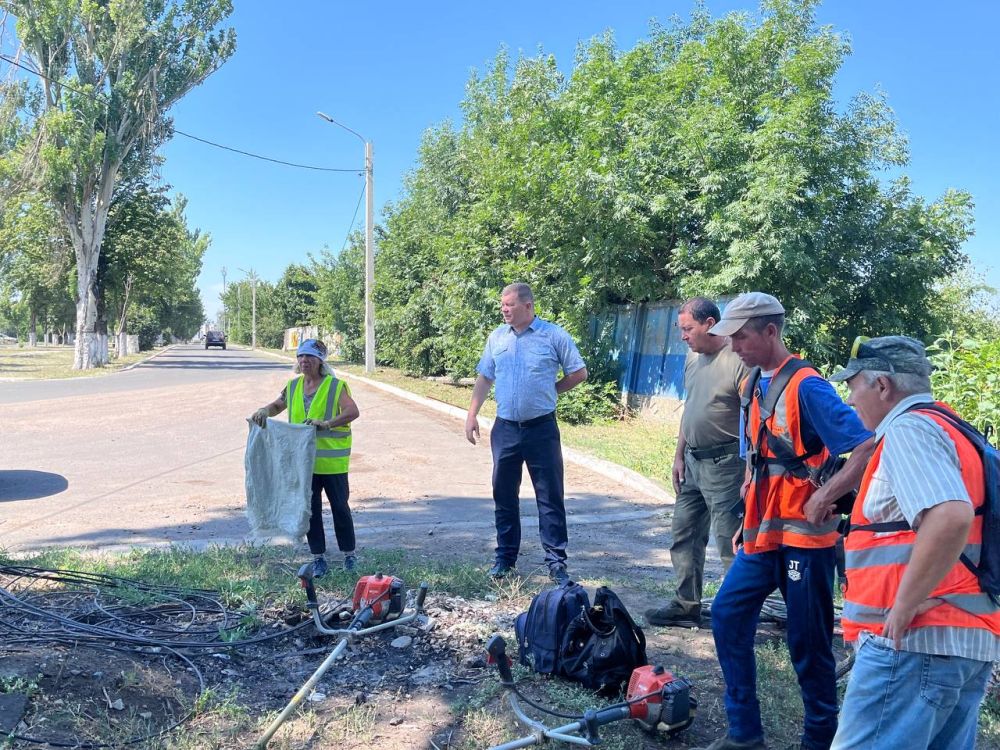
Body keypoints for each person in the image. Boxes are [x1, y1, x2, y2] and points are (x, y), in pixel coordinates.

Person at [695, 292, 875, 750]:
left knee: (809, 646)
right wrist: (744, 518)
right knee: (728, 615)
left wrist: (828, 497)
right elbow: (758, 460)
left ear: (770, 332)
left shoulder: (808, 385)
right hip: (762, 536)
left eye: (741, 335)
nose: (733, 344)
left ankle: (819, 740)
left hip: (806, 542)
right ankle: (745, 735)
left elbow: (867, 445)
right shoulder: (752, 383)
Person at [828, 335, 1000, 750]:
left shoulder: (909, 430)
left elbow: (950, 515)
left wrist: (903, 606)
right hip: (966, 640)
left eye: (854, 386)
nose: (851, 400)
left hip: (913, 641)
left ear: (882, 386)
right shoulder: (956, 431)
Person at [465, 282, 588, 585]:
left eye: (509, 304)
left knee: (549, 496)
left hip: (541, 429)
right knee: (504, 495)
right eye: (502, 305)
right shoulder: (497, 338)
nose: (504, 309)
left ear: (528, 305)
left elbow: (578, 373)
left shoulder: (553, 336)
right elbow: (484, 377)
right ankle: (505, 559)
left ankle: (556, 562)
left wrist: (552, 391)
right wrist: (472, 414)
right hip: (505, 429)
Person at [645, 297, 747, 629]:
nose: (683, 336)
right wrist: (678, 456)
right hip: (692, 462)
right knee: (684, 533)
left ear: (710, 323)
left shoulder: (738, 360)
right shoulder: (693, 359)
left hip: (726, 465)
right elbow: (690, 410)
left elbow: (754, 422)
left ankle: (736, 615)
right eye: (681, 329)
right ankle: (686, 605)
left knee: (729, 541)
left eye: (688, 329)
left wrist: (750, 472)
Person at [250, 339, 360, 576]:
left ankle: (349, 555)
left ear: (320, 361)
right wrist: (263, 411)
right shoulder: (293, 386)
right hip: (303, 465)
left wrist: (327, 423)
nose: (304, 361)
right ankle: (318, 557)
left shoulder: (334, 386)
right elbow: (277, 406)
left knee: (340, 508)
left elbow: (352, 412)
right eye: (300, 357)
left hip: (332, 463)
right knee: (310, 510)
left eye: (309, 357)